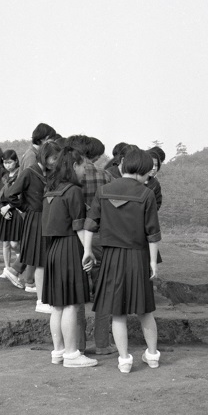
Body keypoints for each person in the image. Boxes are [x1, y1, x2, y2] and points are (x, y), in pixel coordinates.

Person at [83, 146, 162, 374]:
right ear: (142, 170)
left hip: (111, 258)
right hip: (138, 256)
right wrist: (153, 262)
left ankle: (125, 360)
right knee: (145, 310)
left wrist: (87, 250)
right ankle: (152, 356)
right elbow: (152, 233)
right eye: (149, 171)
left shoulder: (104, 191)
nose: (149, 176)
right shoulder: (146, 194)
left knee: (118, 312)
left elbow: (90, 223)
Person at [42, 146, 97, 369]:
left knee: (57, 306)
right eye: (83, 166)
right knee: (72, 305)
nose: (85, 171)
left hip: (53, 250)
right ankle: (72, 354)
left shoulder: (50, 191)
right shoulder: (73, 191)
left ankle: (58, 352)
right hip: (70, 248)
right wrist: (88, 251)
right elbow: (79, 226)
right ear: (74, 166)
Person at [67, 134, 113, 355]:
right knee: (103, 289)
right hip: (100, 237)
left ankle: (78, 344)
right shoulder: (106, 176)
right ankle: (103, 343)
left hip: (74, 237)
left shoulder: (69, 178)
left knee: (77, 293)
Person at [3, 140, 56, 305]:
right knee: (40, 260)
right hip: (35, 218)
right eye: (54, 158)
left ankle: (43, 296)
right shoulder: (29, 172)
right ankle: (41, 299)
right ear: (45, 156)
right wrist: (26, 208)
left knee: (44, 258)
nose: (56, 162)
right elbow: (11, 194)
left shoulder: (49, 173)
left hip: (47, 217)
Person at [0, 149, 24, 276]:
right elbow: (0, 196)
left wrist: (8, 207)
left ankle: (20, 261)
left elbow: (21, 196)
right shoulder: (5, 177)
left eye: (10, 162)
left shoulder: (21, 174)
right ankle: (6, 269)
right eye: (5, 163)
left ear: (16, 161)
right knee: (6, 243)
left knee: (15, 243)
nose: (7, 165)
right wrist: (2, 208)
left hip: (17, 211)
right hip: (5, 212)